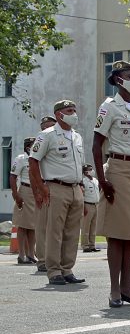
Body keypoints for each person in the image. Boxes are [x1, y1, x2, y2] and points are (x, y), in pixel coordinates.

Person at [93, 59, 130, 307]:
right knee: (117, 235)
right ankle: (115, 289)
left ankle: (127, 287)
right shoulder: (109, 107)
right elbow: (97, 145)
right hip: (118, 169)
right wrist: (102, 180)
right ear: (118, 80)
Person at [29, 100, 86, 285]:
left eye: (75, 110)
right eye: (70, 110)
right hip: (56, 187)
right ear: (59, 114)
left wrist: (82, 186)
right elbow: (33, 161)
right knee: (55, 231)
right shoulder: (47, 135)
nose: (74, 113)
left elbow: (80, 165)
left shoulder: (77, 136)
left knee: (72, 231)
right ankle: (53, 271)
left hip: (76, 188)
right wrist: (41, 187)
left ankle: (67, 269)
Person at [35, 117, 57, 273]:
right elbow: (33, 167)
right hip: (44, 187)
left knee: (57, 228)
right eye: (44, 127)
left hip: (59, 187)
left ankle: (57, 260)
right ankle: (42, 260)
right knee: (42, 227)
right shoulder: (40, 141)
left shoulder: (60, 140)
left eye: (50, 126)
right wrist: (38, 190)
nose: (47, 129)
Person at [10, 138, 37, 264]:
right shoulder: (21, 159)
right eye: (34, 145)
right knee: (22, 225)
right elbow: (13, 176)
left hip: (36, 192)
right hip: (25, 190)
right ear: (27, 147)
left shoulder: (38, 158)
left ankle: (31, 253)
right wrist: (16, 195)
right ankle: (21, 255)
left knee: (33, 225)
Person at [80, 164, 100, 253]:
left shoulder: (95, 180)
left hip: (96, 205)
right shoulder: (83, 182)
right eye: (90, 169)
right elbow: (82, 196)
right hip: (87, 205)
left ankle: (92, 245)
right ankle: (85, 245)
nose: (92, 171)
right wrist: (83, 207)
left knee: (93, 227)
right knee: (86, 227)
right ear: (85, 172)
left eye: (92, 169)